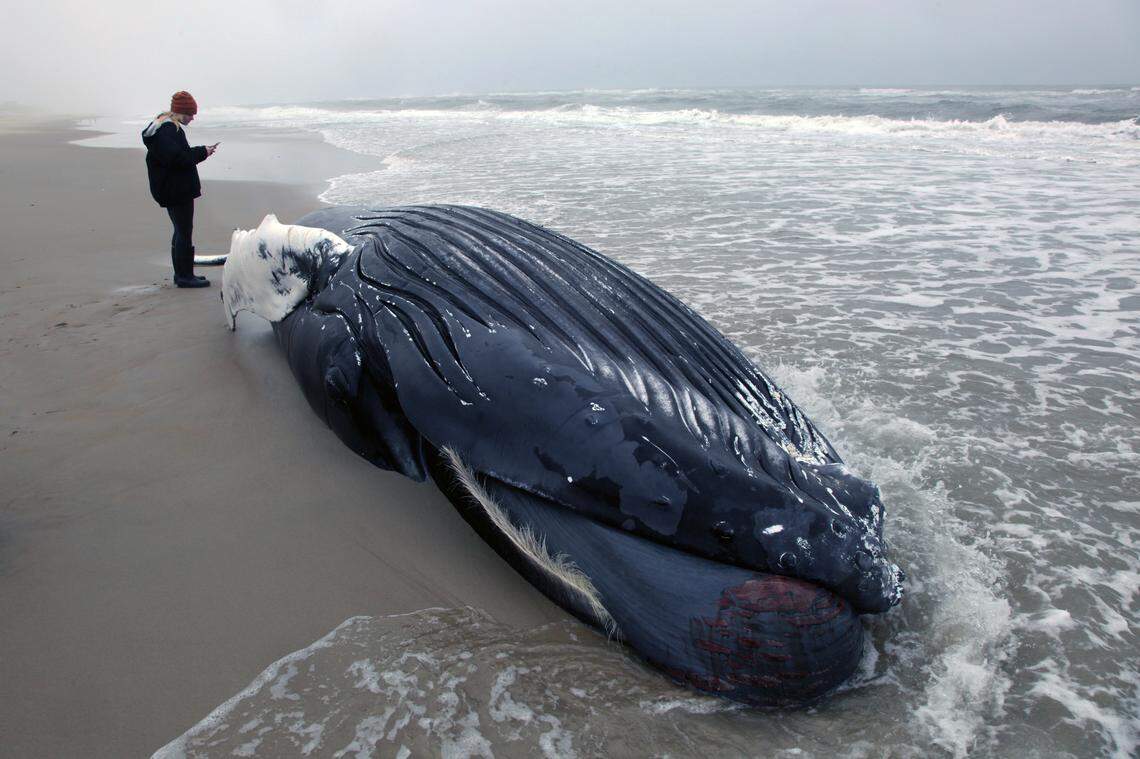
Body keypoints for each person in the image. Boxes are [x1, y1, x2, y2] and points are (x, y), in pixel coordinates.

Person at [141, 91, 219, 288]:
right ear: (181, 112)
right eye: (190, 114)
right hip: (175, 190)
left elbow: (177, 157)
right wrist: (204, 152)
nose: (192, 118)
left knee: (181, 231)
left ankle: (184, 273)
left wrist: (201, 152)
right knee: (184, 232)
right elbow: (179, 159)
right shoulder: (168, 131)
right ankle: (184, 277)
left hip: (172, 188)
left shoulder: (163, 128)